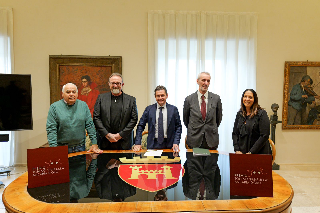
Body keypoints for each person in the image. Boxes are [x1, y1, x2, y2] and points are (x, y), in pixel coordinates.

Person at [46, 83, 102, 154]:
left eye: (74, 92)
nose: (71, 94)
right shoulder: (54, 107)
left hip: (80, 147)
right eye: (68, 92)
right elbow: (51, 129)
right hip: (62, 148)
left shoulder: (83, 105)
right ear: (62, 94)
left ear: (77, 94)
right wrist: (54, 149)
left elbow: (90, 125)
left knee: (81, 165)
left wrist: (94, 143)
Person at [93, 73, 138, 150]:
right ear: (109, 84)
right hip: (105, 142)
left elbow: (134, 119)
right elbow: (96, 117)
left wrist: (120, 135)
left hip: (124, 142)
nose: (115, 85)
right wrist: (107, 135)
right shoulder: (101, 98)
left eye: (118, 83)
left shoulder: (131, 100)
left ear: (122, 84)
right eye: (113, 83)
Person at [133, 85, 182, 152]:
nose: (160, 98)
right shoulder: (149, 109)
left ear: (167, 95)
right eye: (158, 96)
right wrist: (138, 143)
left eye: (162, 95)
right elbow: (140, 126)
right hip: (153, 144)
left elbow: (178, 127)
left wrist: (176, 142)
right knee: (152, 162)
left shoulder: (173, 109)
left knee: (170, 162)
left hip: (170, 145)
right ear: (155, 97)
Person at [183, 72, 223, 150]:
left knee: (211, 162)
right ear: (197, 81)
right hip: (194, 140)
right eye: (203, 80)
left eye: (208, 81)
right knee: (194, 162)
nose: (206, 83)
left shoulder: (216, 98)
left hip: (211, 140)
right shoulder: (189, 99)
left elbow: (218, 119)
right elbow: (186, 120)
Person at [232, 89, 271, 154]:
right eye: (245, 96)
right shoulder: (239, 114)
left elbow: (264, 135)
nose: (247, 99)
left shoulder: (262, 114)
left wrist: (251, 152)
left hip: (259, 153)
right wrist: (237, 150)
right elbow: (235, 133)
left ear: (254, 100)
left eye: (250, 97)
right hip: (242, 153)